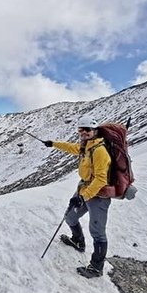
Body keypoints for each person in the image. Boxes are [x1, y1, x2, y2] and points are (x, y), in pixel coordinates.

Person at [44, 115, 112, 278]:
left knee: (97, 232)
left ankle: (96, 268)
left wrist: (83, 197)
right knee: (70, 217)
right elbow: (70, 147)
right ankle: (78, 241)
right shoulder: (85, 147)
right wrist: (53, 144)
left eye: (87, 129)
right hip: (84, 190)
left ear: (95, 131)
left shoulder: (99, 151)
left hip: (98, 196)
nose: (83, 132)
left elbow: (101, 179)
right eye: (81, 130)